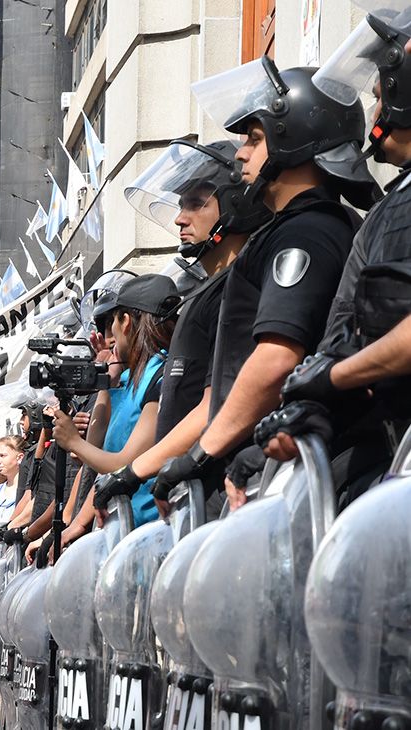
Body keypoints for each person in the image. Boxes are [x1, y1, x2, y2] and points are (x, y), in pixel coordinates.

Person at [154, 55, 373, 509]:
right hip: (263, 476)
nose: (240, 153)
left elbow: (276, 358)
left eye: (254, 138)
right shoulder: (296, 228)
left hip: (271, 482)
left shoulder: (308, 230)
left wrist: (200, 454)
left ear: (293, 137)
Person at [250, 18, 411, 501]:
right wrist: (313, 404)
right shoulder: (391, 204)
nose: (376, 108)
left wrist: (330, 379)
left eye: (382, 94)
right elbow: (349, 329)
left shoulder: (322, 226)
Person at [93, 139, 268, 515]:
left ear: (235, 202)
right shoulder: (212, 288)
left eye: (194, 203)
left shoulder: (241, 285)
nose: (179, 218)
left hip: (221, 495)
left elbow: (217, 402)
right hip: (189, 496)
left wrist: (135, 470)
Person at [52, 274, 178, 534]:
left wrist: (73, 441)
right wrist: (105, 383)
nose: (109, 338)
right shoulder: (127, 380)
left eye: (113, 324)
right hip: (120, 529)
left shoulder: (160, 376)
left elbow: (124, 463)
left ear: (127, 322)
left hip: (150, 529)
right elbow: (97, 451)